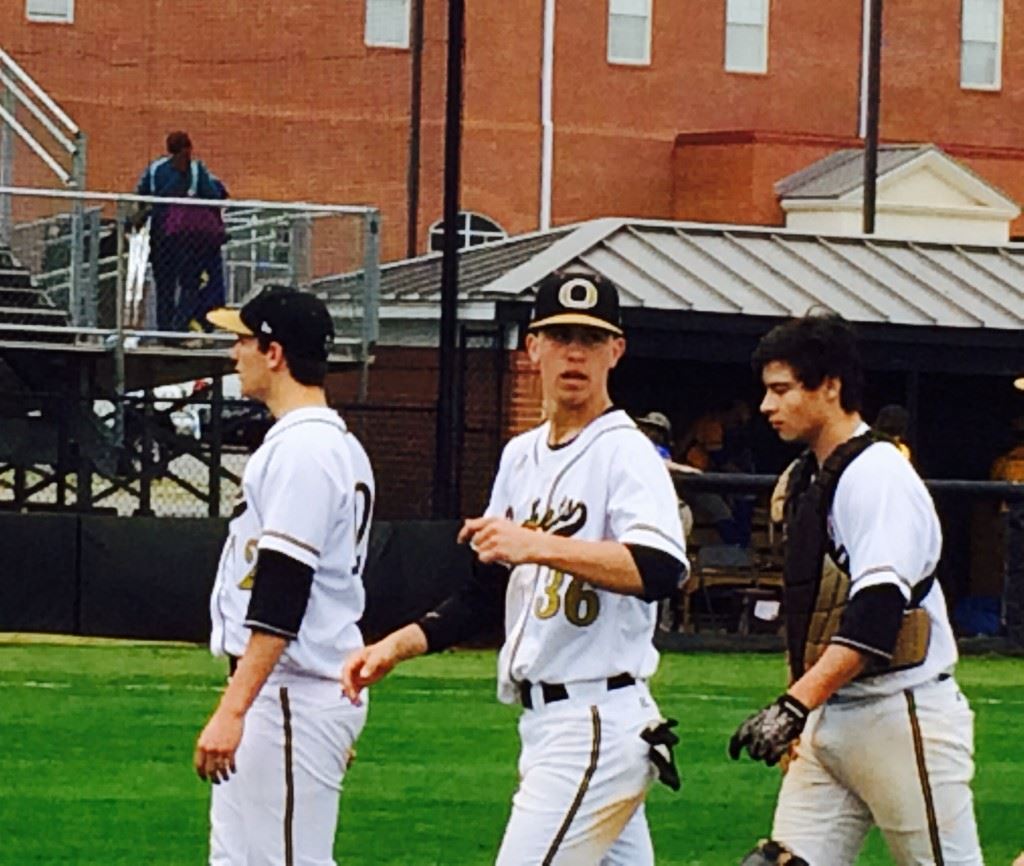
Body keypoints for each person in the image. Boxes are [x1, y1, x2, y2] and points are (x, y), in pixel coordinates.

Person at [342, 270, 688, 865]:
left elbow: (659, 567)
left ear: (616, 351)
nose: (574, 351)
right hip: (552, 724)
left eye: (590, 337)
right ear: (531, 348)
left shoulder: (624, 450)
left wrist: (535, 544)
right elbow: (484, 593)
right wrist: (393, 647)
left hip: (595, 722)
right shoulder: (519, 456)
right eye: (558, 336)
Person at [729, 315, 982, 866]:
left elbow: (875, 619)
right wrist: (804, 704)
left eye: (782, 390)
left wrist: (794, 706)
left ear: (831, 386)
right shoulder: (809, 477)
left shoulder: (877, 475)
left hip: (900, 712)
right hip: (834, 720)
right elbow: (811, 609)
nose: (768, 406)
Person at [195, 286, 374, 866]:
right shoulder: (321, 443)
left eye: (243, 340)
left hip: (293, 691)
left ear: (274, 352)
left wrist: (234, 708)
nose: (234, 354)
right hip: (289, 694)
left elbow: (283, 592)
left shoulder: (306, 449)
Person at [135, 131, 226, 331]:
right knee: (190, 284)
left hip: (160, 237)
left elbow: (141, 195)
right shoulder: (195, 170)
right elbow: (212, 196)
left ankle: (165, 330)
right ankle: (179, 327)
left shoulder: (155, 169)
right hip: (189, 240)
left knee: (164, 286)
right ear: (188, 148)